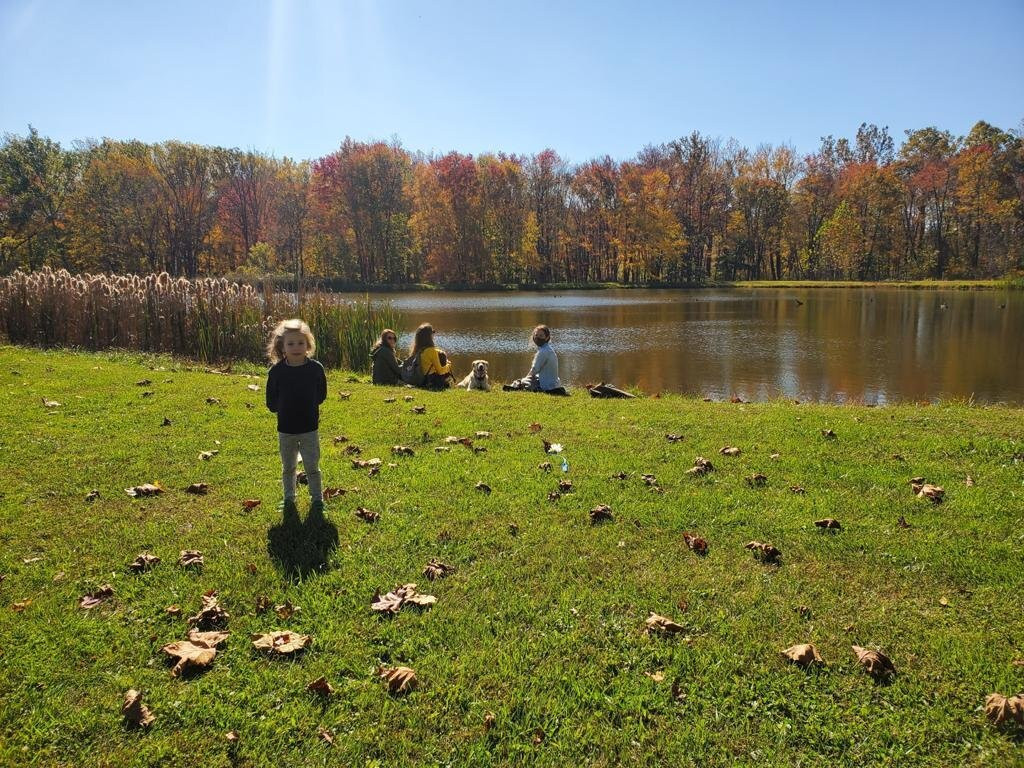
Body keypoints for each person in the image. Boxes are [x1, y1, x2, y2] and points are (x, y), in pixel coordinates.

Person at [265, 318, 328, 513]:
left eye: (301, 343)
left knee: (312, 467)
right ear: (282, 346)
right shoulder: (277, 372)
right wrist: (282, 409)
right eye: (291, 343)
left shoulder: (315, 369)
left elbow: (321, 394)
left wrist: (308, 406)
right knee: (288, 467)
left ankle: (317, 499)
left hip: (309, 427)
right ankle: (289, 498)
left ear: (308, 344)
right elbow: (271, 400)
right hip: (286, 429)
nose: (296, 347)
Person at [504, 324, 567, 395]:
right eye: (536, 335)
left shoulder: (543, 351)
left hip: (546, 386)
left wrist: (525, 379)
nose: (537, 338)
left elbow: (534, 370)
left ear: (547, 338)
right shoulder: (548, 349)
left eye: (541, 336)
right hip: (554, 383)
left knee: (524, 381)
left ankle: (516, 386)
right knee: (532, 378)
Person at [410, 322, 454, 389]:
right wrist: (448, 365)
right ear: (429, 336)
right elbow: (440, 371)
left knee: (441, 354)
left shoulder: (417, 349)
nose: (434, 335)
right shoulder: (431, 351)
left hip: (420, 380)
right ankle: (447, 384)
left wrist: (439, 351)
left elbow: (429, 353)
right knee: (443, 358)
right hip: (431, 381)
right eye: (432, 332)